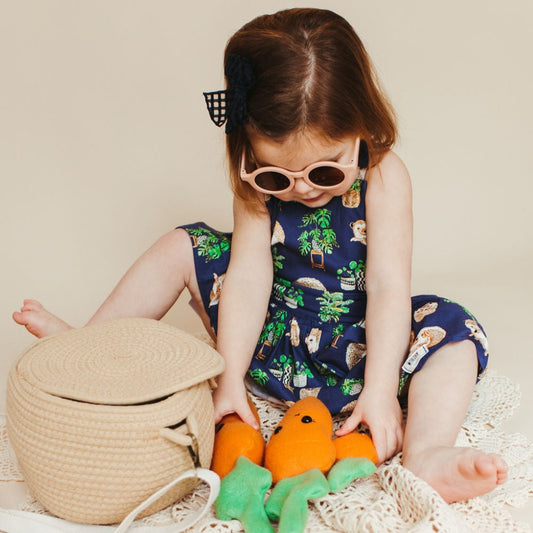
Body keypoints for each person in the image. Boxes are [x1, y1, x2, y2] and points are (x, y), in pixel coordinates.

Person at [13, 8, 507, 503]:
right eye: (277, 176)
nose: (302, 190)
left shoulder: (384, 176)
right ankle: (87, 352)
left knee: (453, 328)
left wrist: (379, 391)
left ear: (362, 125)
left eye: (326, 173)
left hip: (357, 346)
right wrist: (228, 379)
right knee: (183, 244)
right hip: (270, 338)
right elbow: (249, 279)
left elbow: (387, 287)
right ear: (249, 150)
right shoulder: (251, 177)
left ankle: (427, 451)